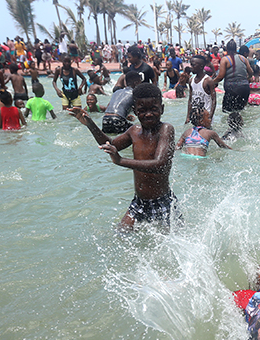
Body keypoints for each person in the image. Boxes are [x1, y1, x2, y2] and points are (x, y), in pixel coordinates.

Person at [70, 83, 179, 230]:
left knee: (170, 244)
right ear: (134, 110)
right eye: (142, 110)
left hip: (161, 201)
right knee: (120, 234)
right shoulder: (134, 131)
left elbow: (160, 164)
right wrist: (90, 124)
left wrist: (121, 161)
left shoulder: (165, 129)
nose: (148, 114)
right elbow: (110, 144)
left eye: (154, 109)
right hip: (139, 202)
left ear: (162, 109)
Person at [213, 39, 253, 112]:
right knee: (240, 111)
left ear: (227, 49)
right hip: (244, 88)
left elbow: (220, 77)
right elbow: (251, 72)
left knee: (227, 111)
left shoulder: (225, 59)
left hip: (232, 89)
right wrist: (246, 79)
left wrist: (212, 82)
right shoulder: (243, 58)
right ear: (235, 49)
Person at [187, 55, 217, 123]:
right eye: (191, 65)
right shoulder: (191, 80)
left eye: (193, 65)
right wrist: (188, 116)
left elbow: (214, 99)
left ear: (201, 66)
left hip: (205, 117)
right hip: (194, 116)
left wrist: (210, 116)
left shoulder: (208, 81)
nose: (191, 67)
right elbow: (190, 100)